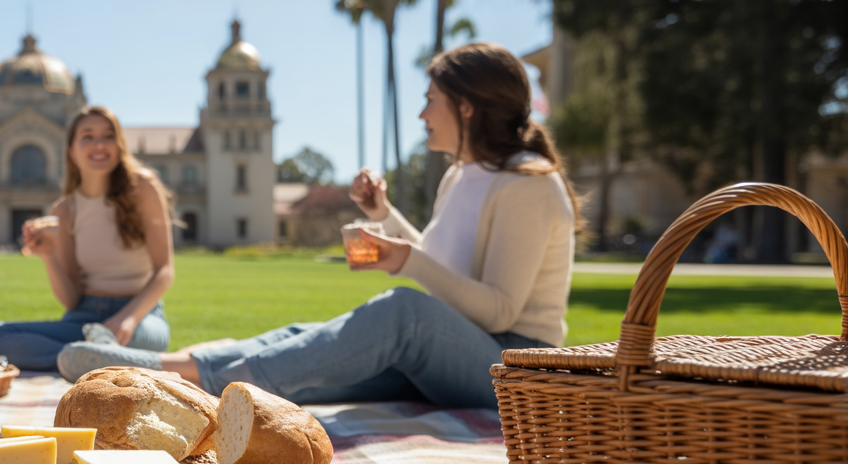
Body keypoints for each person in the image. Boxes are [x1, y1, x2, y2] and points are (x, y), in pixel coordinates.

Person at [57, 43, 580, 408]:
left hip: (514, 368)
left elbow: (499, 309)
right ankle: (161, 366)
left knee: (401, 312)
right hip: (459, 351)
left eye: (430, 101)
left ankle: (199, 379)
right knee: (313, 343)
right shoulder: (465, 174)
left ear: (466, 109)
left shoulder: (528, 185)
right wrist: (384, 216)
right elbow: (444, 267)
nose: (423, 114)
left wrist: (405, 259)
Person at [0, 106, 177, 372]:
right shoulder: (64, 211)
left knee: (132, 338)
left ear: (119, 145)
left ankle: (85, 356)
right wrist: (48, 257)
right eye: (87, 136)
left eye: (108, 135)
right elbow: (71, 300)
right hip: (85, 317)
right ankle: (90, 358)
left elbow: (164, 272)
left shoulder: (144, 188)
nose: (99, 144)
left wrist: (127, 319)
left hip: (142, 315)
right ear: (71, 150)